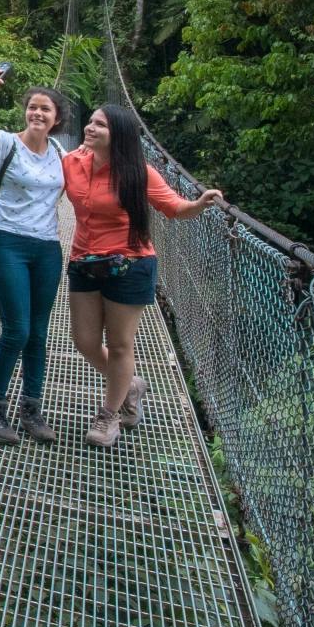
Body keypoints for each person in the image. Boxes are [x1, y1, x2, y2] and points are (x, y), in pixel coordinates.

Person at [60, 103, 223, 447]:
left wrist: (198, 204)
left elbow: (173, 206)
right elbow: (39, 182)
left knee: (120, 344)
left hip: (130, 264)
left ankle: (109, 415)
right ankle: (130, 384)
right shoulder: (71, 162)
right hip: (84, 262)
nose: (89, 128)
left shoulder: (139, 171)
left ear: (116, 134)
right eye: (89, 122)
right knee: (84, 341)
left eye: (99, 125)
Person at [0, 67, 76, 445]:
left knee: (39, 332)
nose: (38, 114)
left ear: (56, 118)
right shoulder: (7, 144)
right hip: (6, 241)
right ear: (25, 112)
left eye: (45, 109)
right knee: (17, 328)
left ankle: (31, 408)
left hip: (46, 246)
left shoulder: (61, 152)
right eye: (32, 107)